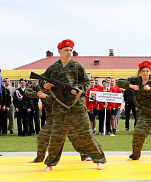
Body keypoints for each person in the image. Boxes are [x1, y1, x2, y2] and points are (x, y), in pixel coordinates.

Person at [38, 39, 106, 171]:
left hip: (77, 107)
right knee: (56, 137)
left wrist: (78, 89)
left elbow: (86, 83)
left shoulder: (77, 66)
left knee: (87, 135)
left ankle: (99, 160)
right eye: (66, 50)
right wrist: (43, 85)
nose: (69, 52)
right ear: (59, 51)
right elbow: (41, 81)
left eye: (70, 50)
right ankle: (50, 163)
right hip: (60, 107)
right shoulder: (53, 68)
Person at [25, 83, 99, 163]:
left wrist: (46, 96)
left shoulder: (59, 87)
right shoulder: (39, 86)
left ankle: (84, 155)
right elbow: (27, 91)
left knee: (74, 137)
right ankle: (39, 158)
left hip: (64, 116)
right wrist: (37, 94)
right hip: (51, 117)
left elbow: (61, 101)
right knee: (42, 137)